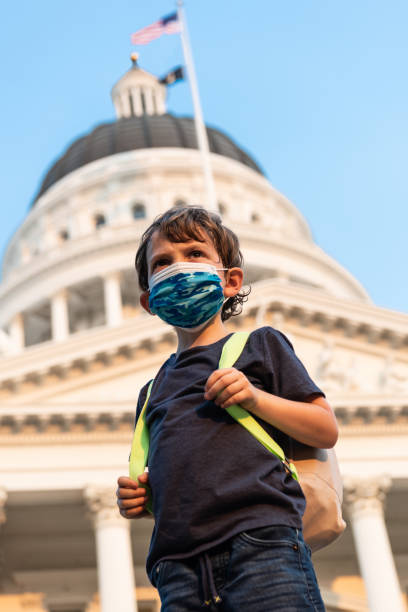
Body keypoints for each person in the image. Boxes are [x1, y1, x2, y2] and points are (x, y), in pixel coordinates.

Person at [116, 206, 338, 611]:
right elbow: (185, 478)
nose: (178, 268)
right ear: (148, 300)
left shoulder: (259, 346)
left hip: (260, 543)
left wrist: (255, 398)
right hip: (177, 565)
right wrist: (142, 499)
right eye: (162, 262)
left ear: (231, 281)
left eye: (194, 254)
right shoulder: (152, 390)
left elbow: (324, 429)